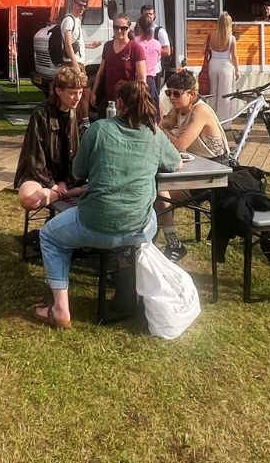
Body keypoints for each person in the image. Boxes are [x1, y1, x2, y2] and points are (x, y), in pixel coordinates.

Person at [31, 80, 181, 329]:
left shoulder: (99, 129)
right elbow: (175, 163)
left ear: (119, 104)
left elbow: (78, 172)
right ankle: (128, 285)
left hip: (95, 224)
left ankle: (60, 308)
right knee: (148, 213)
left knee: (49, 236)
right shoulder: (154, 134)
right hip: (138, 230)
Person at [157, 69, 230, 261]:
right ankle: (152, 246)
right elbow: (164, 124)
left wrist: (163, 130)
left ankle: (173, 244)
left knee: (158, 193)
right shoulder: (180, 108)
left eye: (176, 93)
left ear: (192, 94)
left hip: (214, 174)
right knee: (153, 191)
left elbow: (180, 144)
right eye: (168, 93)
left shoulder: (200, 110)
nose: (171, 98)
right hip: (196, 168)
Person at [15, 65, 88, 210]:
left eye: (80, 92)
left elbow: (77, 155)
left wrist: (64, 182)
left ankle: (65, 192)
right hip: (40, 175)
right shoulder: (41, 114)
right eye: (72, 93)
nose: (77, 98)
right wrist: (52, 184)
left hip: (67, 177)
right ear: (59, 91)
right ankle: (70, 193)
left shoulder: (76, 112)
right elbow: (35, 157)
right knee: (28, 200)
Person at [92, 14, 146, 115]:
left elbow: (141, 78)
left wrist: (140, 99)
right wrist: (94, 92)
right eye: (116, 27)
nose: (119, 31)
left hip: (127, 99)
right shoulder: (107, 46)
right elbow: (101, 71)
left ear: (129, 28)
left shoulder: (136, 49)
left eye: (123, 28)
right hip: (108, 97)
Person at [203, 12, 239, 124]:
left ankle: (212, 120)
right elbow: (234, 56)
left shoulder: (211, 36)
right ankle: (225, 122)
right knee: (226, 94)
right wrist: (237, 70)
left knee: (213, 93)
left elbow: (203, 50)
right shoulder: (231, 38)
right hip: (226, 66)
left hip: (213, 64)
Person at [134, 16, 164, 110]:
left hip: (136, 78)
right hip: (150, 80)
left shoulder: (135, 42)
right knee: (153, 106)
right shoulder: (157, 44)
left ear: (139, 27)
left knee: (136, 106)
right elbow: (158, 58)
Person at [59, 0, 87, 70]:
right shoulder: (69, 20)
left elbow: (74, 40)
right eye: (80, 5)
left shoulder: (77, 20)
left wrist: (89, 45)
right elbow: (68, 43)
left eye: (84, 6)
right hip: (71, 63)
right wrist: (75, 64)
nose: (82, 8)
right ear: (74, 4)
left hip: (77, 62)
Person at [140, 5, 171, 73]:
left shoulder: (159, 31)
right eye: (145, 14)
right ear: (141, 15)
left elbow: (167, 51)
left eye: (150, 14)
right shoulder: (137, 30)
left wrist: (149, 50)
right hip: (138, 69)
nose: (148, 16)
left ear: (154, 15)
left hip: (154, 72)